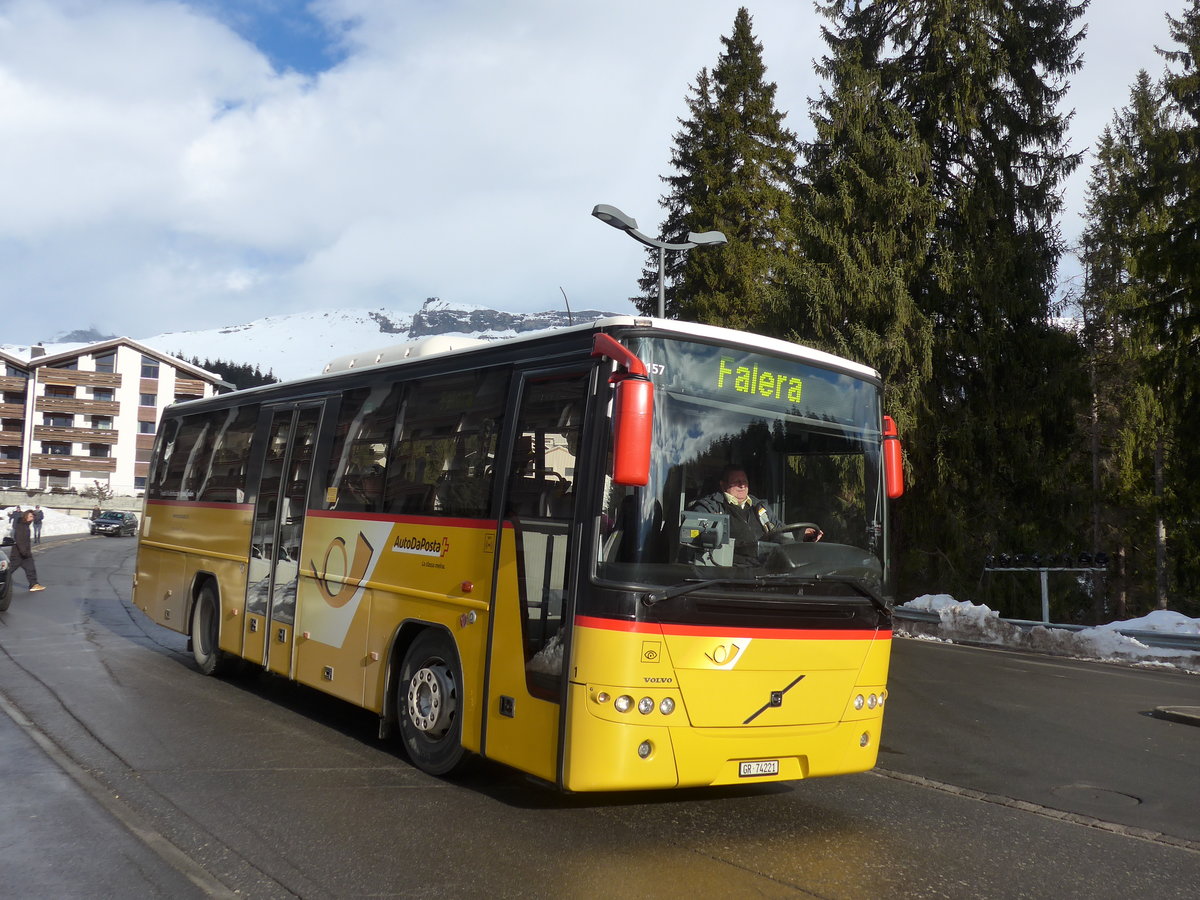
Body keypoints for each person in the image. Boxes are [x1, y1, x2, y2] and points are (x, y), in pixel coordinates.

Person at [689, 464, 820, 566]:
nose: (742, 485)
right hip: (727, 574)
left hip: (763, 570)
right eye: (736, 481)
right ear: (723, 485)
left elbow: (780, 530)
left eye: (744, 481)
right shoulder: (709, 507)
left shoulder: (759, 506)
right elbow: (694, 533)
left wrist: (802, 534)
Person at [10, 509, 45, 592]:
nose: (32, 518)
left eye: (32, 516)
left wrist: (26, 552)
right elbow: (19, 540)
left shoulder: (25, 525)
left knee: (31, 568)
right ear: (25, 516)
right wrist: (24, 552)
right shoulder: (21, 526)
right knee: (9, 570)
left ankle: (34, 584)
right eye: (30, 516)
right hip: (18, 554)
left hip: (25, 553)